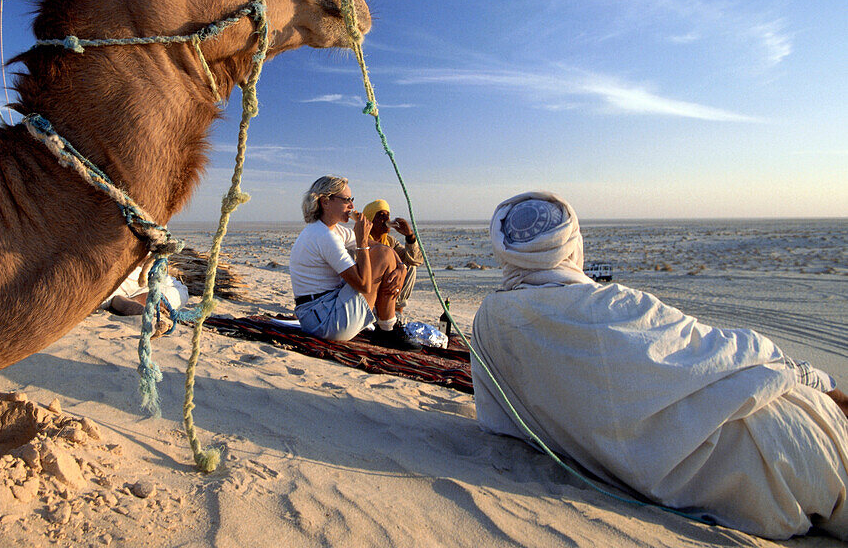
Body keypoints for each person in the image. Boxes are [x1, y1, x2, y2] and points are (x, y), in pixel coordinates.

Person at [470, 191, 848, 539]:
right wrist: (814, 378)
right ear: (571, 243)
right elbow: (726, 352)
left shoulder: (489, 321)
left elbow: (499, 420)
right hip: (769, 447)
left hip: (740, 475)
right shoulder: (612, 305)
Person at [289, 176, 417, 350]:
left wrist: (401, 268)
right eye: (346, 200)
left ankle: (386, 327)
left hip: (319, 314)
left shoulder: (334, 230)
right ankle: (386, 330)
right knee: (382, 255)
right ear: (325, 202)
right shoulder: (323, 236)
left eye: (352, 200)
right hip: (324, 321)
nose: (352, 206)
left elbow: (381, 246)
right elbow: (363, 284)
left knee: (384, 252)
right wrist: (362, 242)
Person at [362, 199, 424, 323]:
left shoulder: (390, 242)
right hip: (368, 290)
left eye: (387, 215)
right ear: (370, 220)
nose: (387, 220)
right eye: (380, 216)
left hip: (388, 290)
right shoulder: (360, 240)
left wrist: (409, 236)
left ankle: (396, 309)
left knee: (410, 266)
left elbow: (416, 260)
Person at [100, 262, 189, 338]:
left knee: (179, 291)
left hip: (125, 277)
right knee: (180, 291)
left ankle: (125, 302)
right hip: (119, 276)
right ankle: (134, 302)